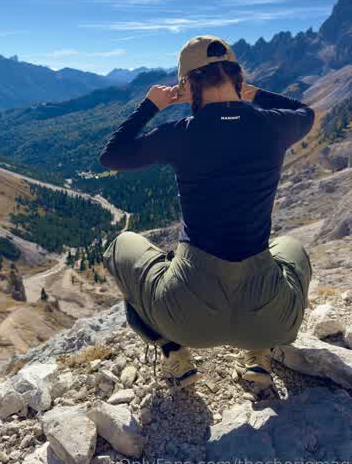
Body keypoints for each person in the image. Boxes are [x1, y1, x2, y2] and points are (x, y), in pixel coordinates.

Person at [99, 35, 314, 388]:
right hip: (269, 320)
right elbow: (306, 113)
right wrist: (254, 94)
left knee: (122, 246)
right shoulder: (274, 125)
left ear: (187, 85)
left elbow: (112, 156)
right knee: (292, 247)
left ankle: (175, 354)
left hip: (186, 320)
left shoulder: (180, 133)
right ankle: (259, 353)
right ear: (238, 77)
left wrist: (151, 105)